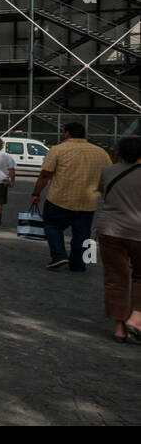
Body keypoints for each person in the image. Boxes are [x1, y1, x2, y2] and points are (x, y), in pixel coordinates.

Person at [32, 122, 112, 272]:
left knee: (52, 226)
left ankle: (58, 255)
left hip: (59, 198)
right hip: (88, 201)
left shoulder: (58, 150)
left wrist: (36, 193)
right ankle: (78, 263)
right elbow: (107, 176)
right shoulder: (101, 152)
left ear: (67, 133)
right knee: (82, 233)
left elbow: (45, 174)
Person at [97, 137, 141, 343]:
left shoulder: (108, 171)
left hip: (110, 229)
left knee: (115, 278)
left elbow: (105, 196)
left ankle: (119, 327)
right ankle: (136, 318)